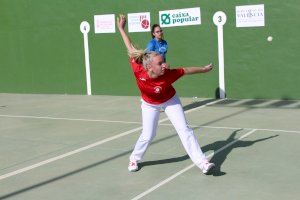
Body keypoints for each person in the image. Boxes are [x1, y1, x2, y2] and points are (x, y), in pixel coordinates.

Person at [117, 14, 215, 174]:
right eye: (160, 63)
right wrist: (121, 28)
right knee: (148, 134)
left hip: (170, 100)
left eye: (164, 61)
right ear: (149, 67)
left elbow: (187, 70)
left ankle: (203, 162)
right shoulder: (138, 68)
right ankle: (134, 158)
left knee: (185, 130)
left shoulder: (169, 73)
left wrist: (203, 69)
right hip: (149, 104)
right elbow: (130, 47)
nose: (165, 64)